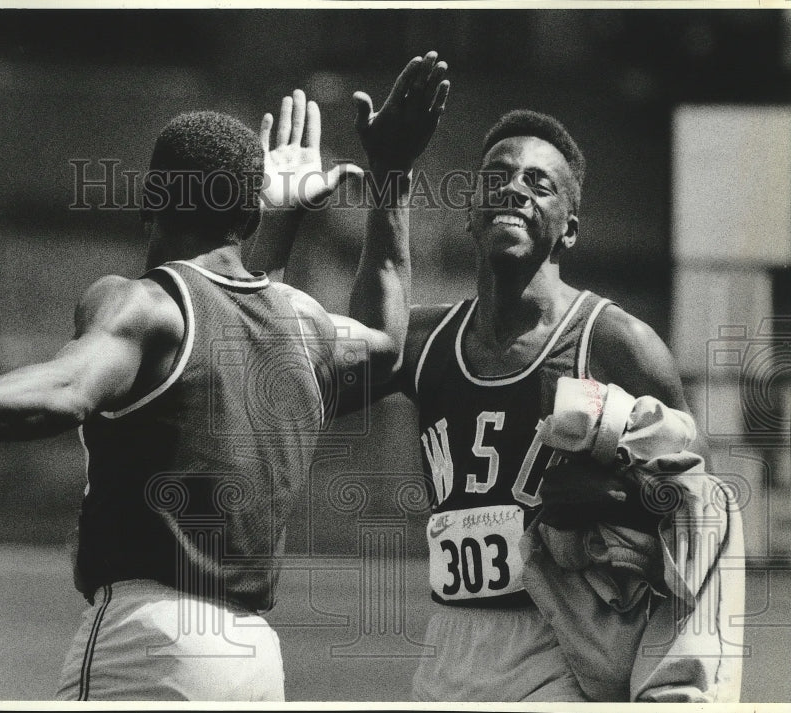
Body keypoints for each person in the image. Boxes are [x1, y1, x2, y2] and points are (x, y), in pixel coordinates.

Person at [0, 56, 449, 701]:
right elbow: (383, 341)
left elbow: (67, 391)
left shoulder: (141, 303)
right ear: (248, 217)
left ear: (152, 199)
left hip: (147, 641)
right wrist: (393, 176)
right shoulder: (304, 323)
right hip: (254, 660)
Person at [258, 58, 740, 702]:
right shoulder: (425, 341)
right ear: (470, 211)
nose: (515, 190)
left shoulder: (617, 341)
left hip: (565, 644)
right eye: (497, 178)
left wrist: (605, 496)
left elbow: (700, 509)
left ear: (569, 227)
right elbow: (283, 380)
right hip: (449, 649)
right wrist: (288, 217)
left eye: (540, 184)